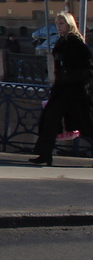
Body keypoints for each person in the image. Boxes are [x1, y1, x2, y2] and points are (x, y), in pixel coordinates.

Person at [30, 11, 93, 166]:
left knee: (85, 123)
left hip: (76, 91)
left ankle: (45, 154)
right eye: (57, 23)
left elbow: (87, 67)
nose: (58, 26)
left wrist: (72, 77)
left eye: (62, 23)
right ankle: (45, 154)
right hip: (61, 90)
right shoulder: (61, 41)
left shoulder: (76, 42)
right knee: (50, 120)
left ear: (69, 24)